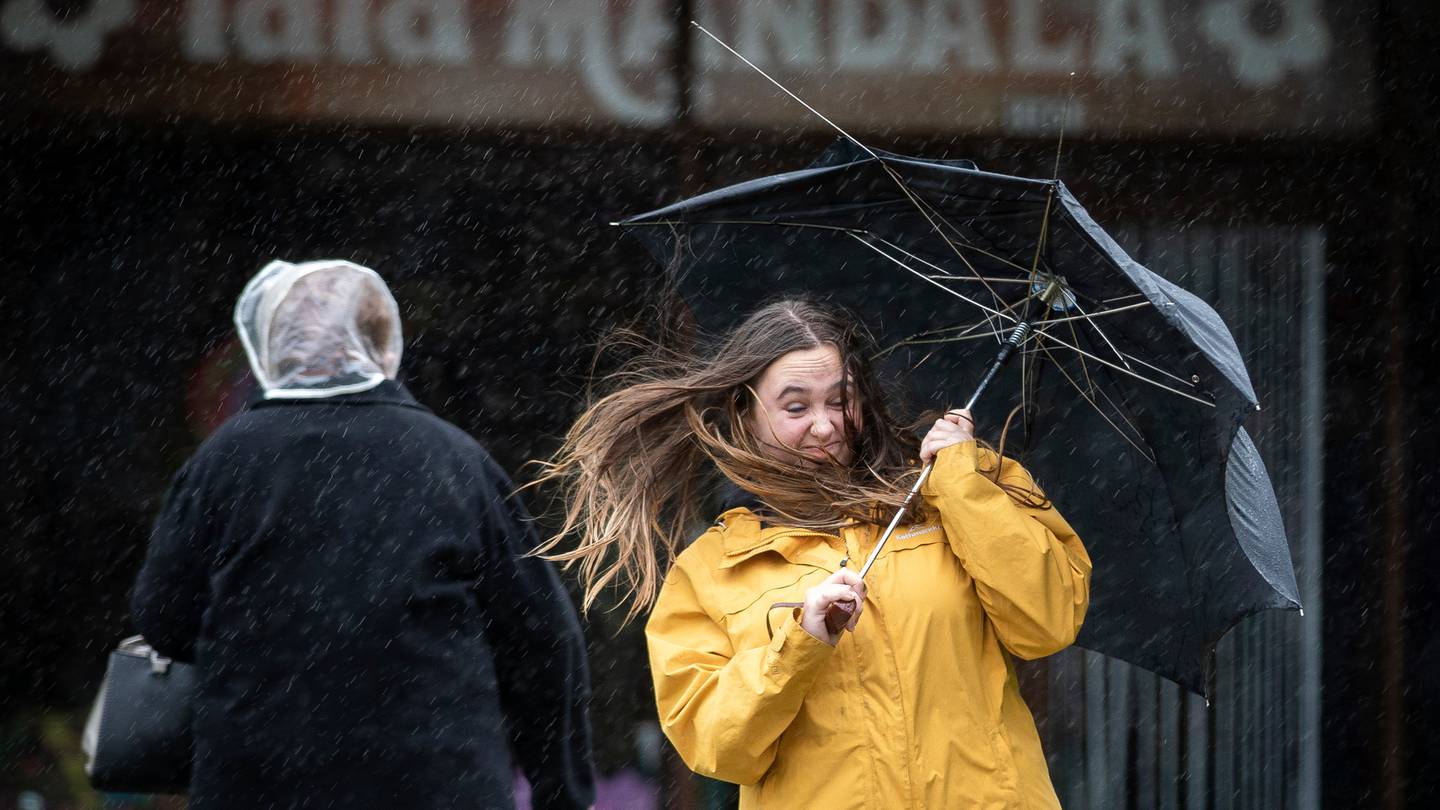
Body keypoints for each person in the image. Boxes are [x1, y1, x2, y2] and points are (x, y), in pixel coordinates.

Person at [536, 298, 1090, 809]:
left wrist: (964, 486)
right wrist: (800, 643)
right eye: (796, 407)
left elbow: (1047, 622)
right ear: (745, 414)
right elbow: (719, 749)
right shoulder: (710, 571)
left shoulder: (955, 489)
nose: (824, 426)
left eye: (840, 401)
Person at [132, 259, 595, 810]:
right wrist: (560, 791)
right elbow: (542, 638)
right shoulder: (454, 459)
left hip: (262, 781)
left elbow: (163, 618)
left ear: (271, 348)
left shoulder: (222, 462)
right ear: (383, 343)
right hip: (437, 782)